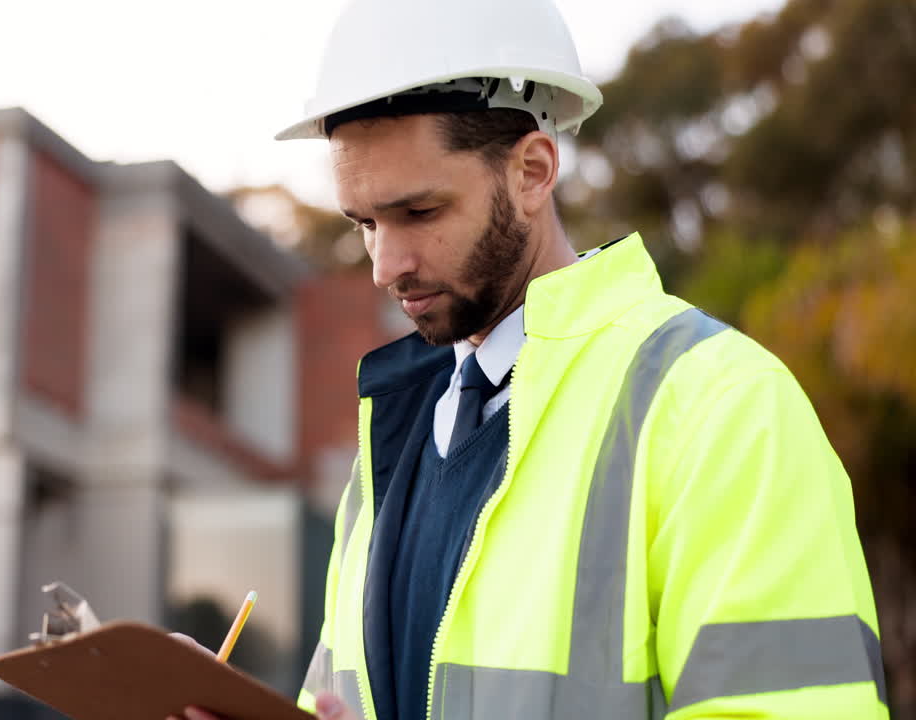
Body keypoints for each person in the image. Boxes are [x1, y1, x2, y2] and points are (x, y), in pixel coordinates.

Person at [173, 0, 887, 719]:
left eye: (418, 213)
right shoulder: (384, 452)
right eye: (365, 224)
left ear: (533, 172)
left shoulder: (723, 406)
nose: (385, 266)